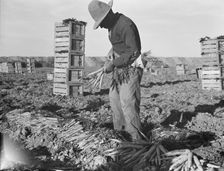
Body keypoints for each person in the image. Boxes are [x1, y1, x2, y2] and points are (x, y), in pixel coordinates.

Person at [88, 0, 144, 140]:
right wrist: (111, 51)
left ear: (108, 15)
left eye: (101, 23)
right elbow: (120, 44)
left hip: (131, 68)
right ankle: (120, 136)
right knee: (114, 100)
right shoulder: (112, 25)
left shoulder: (126, 25)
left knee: (127, 102)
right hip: (119, 69)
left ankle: (135, 141)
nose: (101, 27)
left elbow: (134, 52)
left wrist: (112, 64)